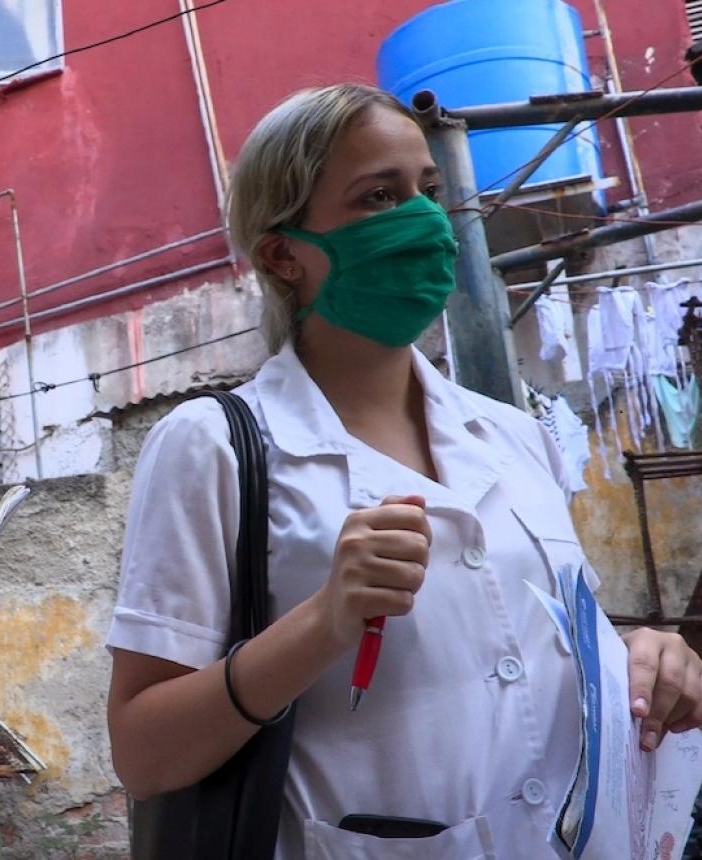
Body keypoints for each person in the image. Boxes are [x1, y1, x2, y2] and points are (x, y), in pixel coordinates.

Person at [105, 83, 702, 858]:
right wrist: (322, 623)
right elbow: (144, 754)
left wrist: (645, 657)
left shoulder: (514, 436)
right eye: (378, 197)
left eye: (429, 190)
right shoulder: (214, 446)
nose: (424, 221)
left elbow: (546, 650)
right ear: (284, 253)